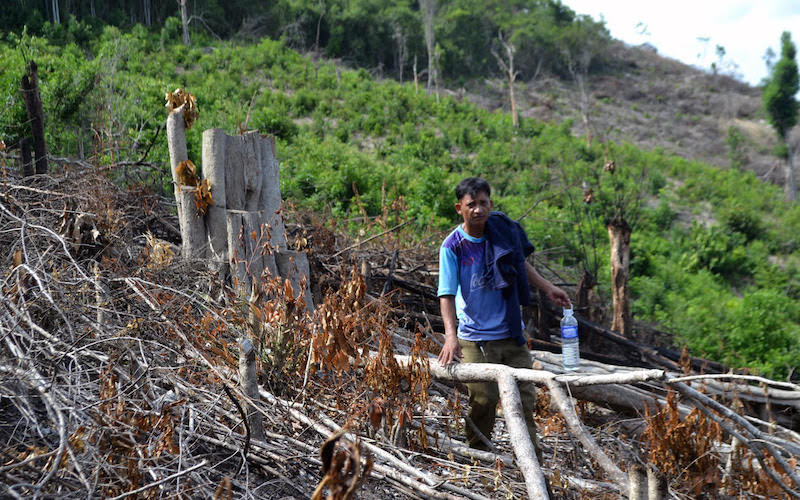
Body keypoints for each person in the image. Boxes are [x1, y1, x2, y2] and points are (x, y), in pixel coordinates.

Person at [437, 177, 571, 458]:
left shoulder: (501, 232)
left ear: (491, 204)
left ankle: (531, 460)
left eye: (483, 203)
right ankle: (479, 457)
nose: (478, 209)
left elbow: (519, 264)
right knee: (484, 400)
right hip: (476, 338)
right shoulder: (453, 246)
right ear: (459, 208)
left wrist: (548, 288)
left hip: (511, 334)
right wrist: (451, 337)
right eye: (471, 204)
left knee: (524, 400)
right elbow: (446, 294)